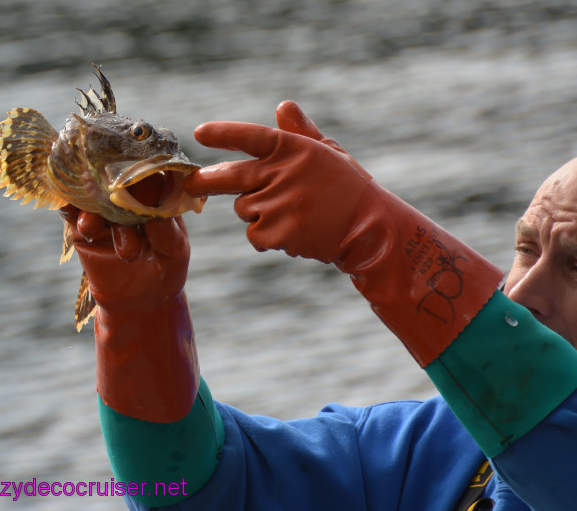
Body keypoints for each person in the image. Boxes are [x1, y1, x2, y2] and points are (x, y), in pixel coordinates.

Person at [61, 101, 577, 510]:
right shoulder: (432, 448)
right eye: (525, 249)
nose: (522, 293)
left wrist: (374, 233)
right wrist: (139, 323)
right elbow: (208, 492)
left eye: (575, 267)